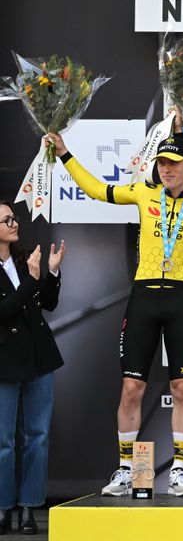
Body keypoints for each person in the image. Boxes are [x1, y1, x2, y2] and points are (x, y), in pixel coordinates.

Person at [49, 124, 183, 497]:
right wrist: (65, 155)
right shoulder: (143, 193)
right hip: (145, 297)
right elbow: (97, 190)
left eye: (174, 163)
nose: (166, 169)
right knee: (132, 386)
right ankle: (124, 469)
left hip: (182, 298)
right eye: (161, 163)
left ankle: (180, 470)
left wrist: (181, 128)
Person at [0, 201, 64, 535]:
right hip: (4, 363)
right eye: (6, 219)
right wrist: (32, 281)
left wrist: (51, 272)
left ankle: (28, 508)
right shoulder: (27, 270)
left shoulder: (27, 261)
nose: (14, 223)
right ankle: (3, 507)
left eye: (14, 217)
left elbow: (49, 304)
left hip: (39, 358)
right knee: (4, 441)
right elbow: (4, 310)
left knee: (37, 437)